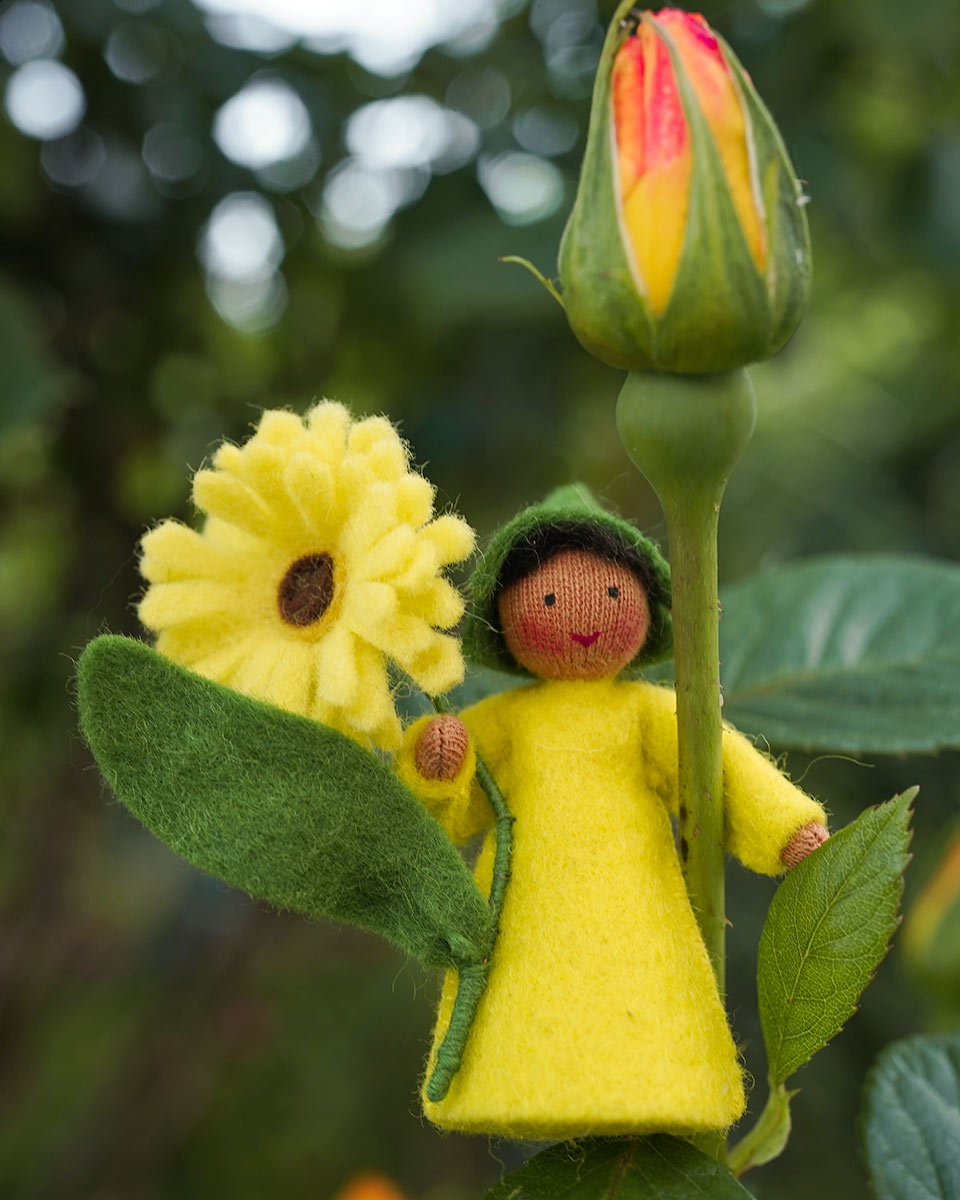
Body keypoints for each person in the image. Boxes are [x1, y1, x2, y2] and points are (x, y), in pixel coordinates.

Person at [396, 485, 828, 1140]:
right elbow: (452, 812)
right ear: (507, 618)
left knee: (640, 989)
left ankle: (660, 1090)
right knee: (530, 995)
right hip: (528, 900)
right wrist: (438, 765)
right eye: (546, 600)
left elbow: (717, 767)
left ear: (644, 610)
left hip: (633, 893)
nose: (585, 615)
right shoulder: (507, 722)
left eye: (612, 595)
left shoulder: (645, 712)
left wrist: (785, 826)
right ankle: (517, 1086)